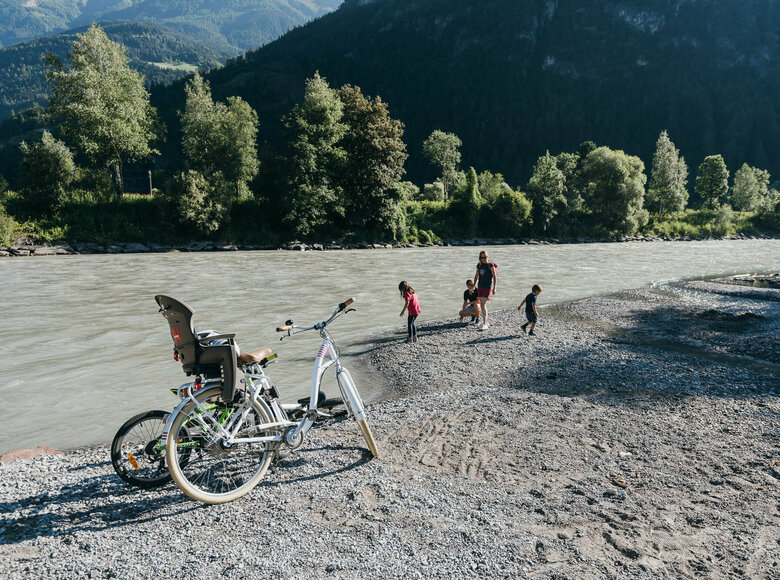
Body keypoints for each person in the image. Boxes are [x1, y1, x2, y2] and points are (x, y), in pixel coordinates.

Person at [472, 250, 497, 330]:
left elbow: (495, 276)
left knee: (483, 304)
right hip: (480, 286)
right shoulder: (479, 265)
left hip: (487, 287)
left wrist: (494, 288)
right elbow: (476, 276)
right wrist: (473, 286)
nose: (484, 259)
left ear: (487, 257)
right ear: (480, 258)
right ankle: (484, 321)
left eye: (485, 257)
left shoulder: (490, 265)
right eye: (482, 257)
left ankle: (485, 324)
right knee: (481, 304)